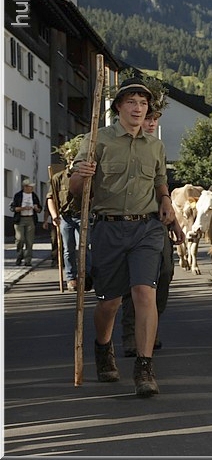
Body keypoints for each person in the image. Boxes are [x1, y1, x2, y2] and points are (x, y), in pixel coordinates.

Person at [69, 77, 182, 397]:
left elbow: (159, 180)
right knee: (110, 302)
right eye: (131, 102)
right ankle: (103, 346)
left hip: (146, 228)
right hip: (109, 228)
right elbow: (75, 190)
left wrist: (165, 200)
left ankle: (144, 367)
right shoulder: (97, 140)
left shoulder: (155, 146)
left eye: (143, 103)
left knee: (145, 292)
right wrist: (82, 175)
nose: (138, 108)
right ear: (118, 106)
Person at [121, 108, 180, 357]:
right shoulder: (123, 147)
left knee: (164, 273)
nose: (152, 123)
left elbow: (161, 186)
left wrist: (174, 222)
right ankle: (130, 334)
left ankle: (150, 327)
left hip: (157, 223)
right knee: (134, 280)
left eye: (155, 119)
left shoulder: (157, 148)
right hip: (129, 222)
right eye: (148, 119)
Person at [45, 137, 87, 292]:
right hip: (66, 218)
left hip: (83, 216)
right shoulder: (58, 178)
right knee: (68, 249)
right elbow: (51, 198)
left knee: (84, 248)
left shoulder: (86, 178)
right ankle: (71, 278)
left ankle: (85, 277)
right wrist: (54, 216)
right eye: (70, 159)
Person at [9, 179, 43, 267]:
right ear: (25, 187)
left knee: (29, 241)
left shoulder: (34, 196)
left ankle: (28, 260)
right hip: (20, 220)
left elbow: (39, 209)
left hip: (31, 219)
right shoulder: (18, 195)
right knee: (20, 239)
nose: (32, 188)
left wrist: (36, 208)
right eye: (30, 187)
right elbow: (12, 208)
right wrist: (22, 208)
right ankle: (19, 255)